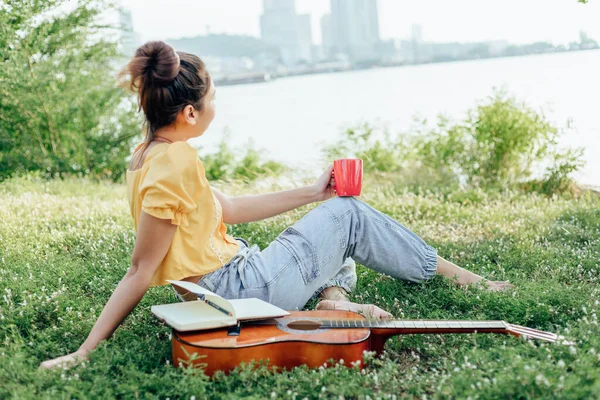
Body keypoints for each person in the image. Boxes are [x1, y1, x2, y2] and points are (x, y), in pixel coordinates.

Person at [40, 41, 512, 369]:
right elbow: (140, 270)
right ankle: (470, 282)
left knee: (329, 217)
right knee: (347, 215)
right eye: (212, 99)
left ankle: (334, 297)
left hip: (238, 275)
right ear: (189, 113)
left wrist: (313, 192)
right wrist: (85, 350)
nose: (214, 107)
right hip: (239, 291)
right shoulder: (175, 163)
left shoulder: (147, 157)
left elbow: (230, 208)